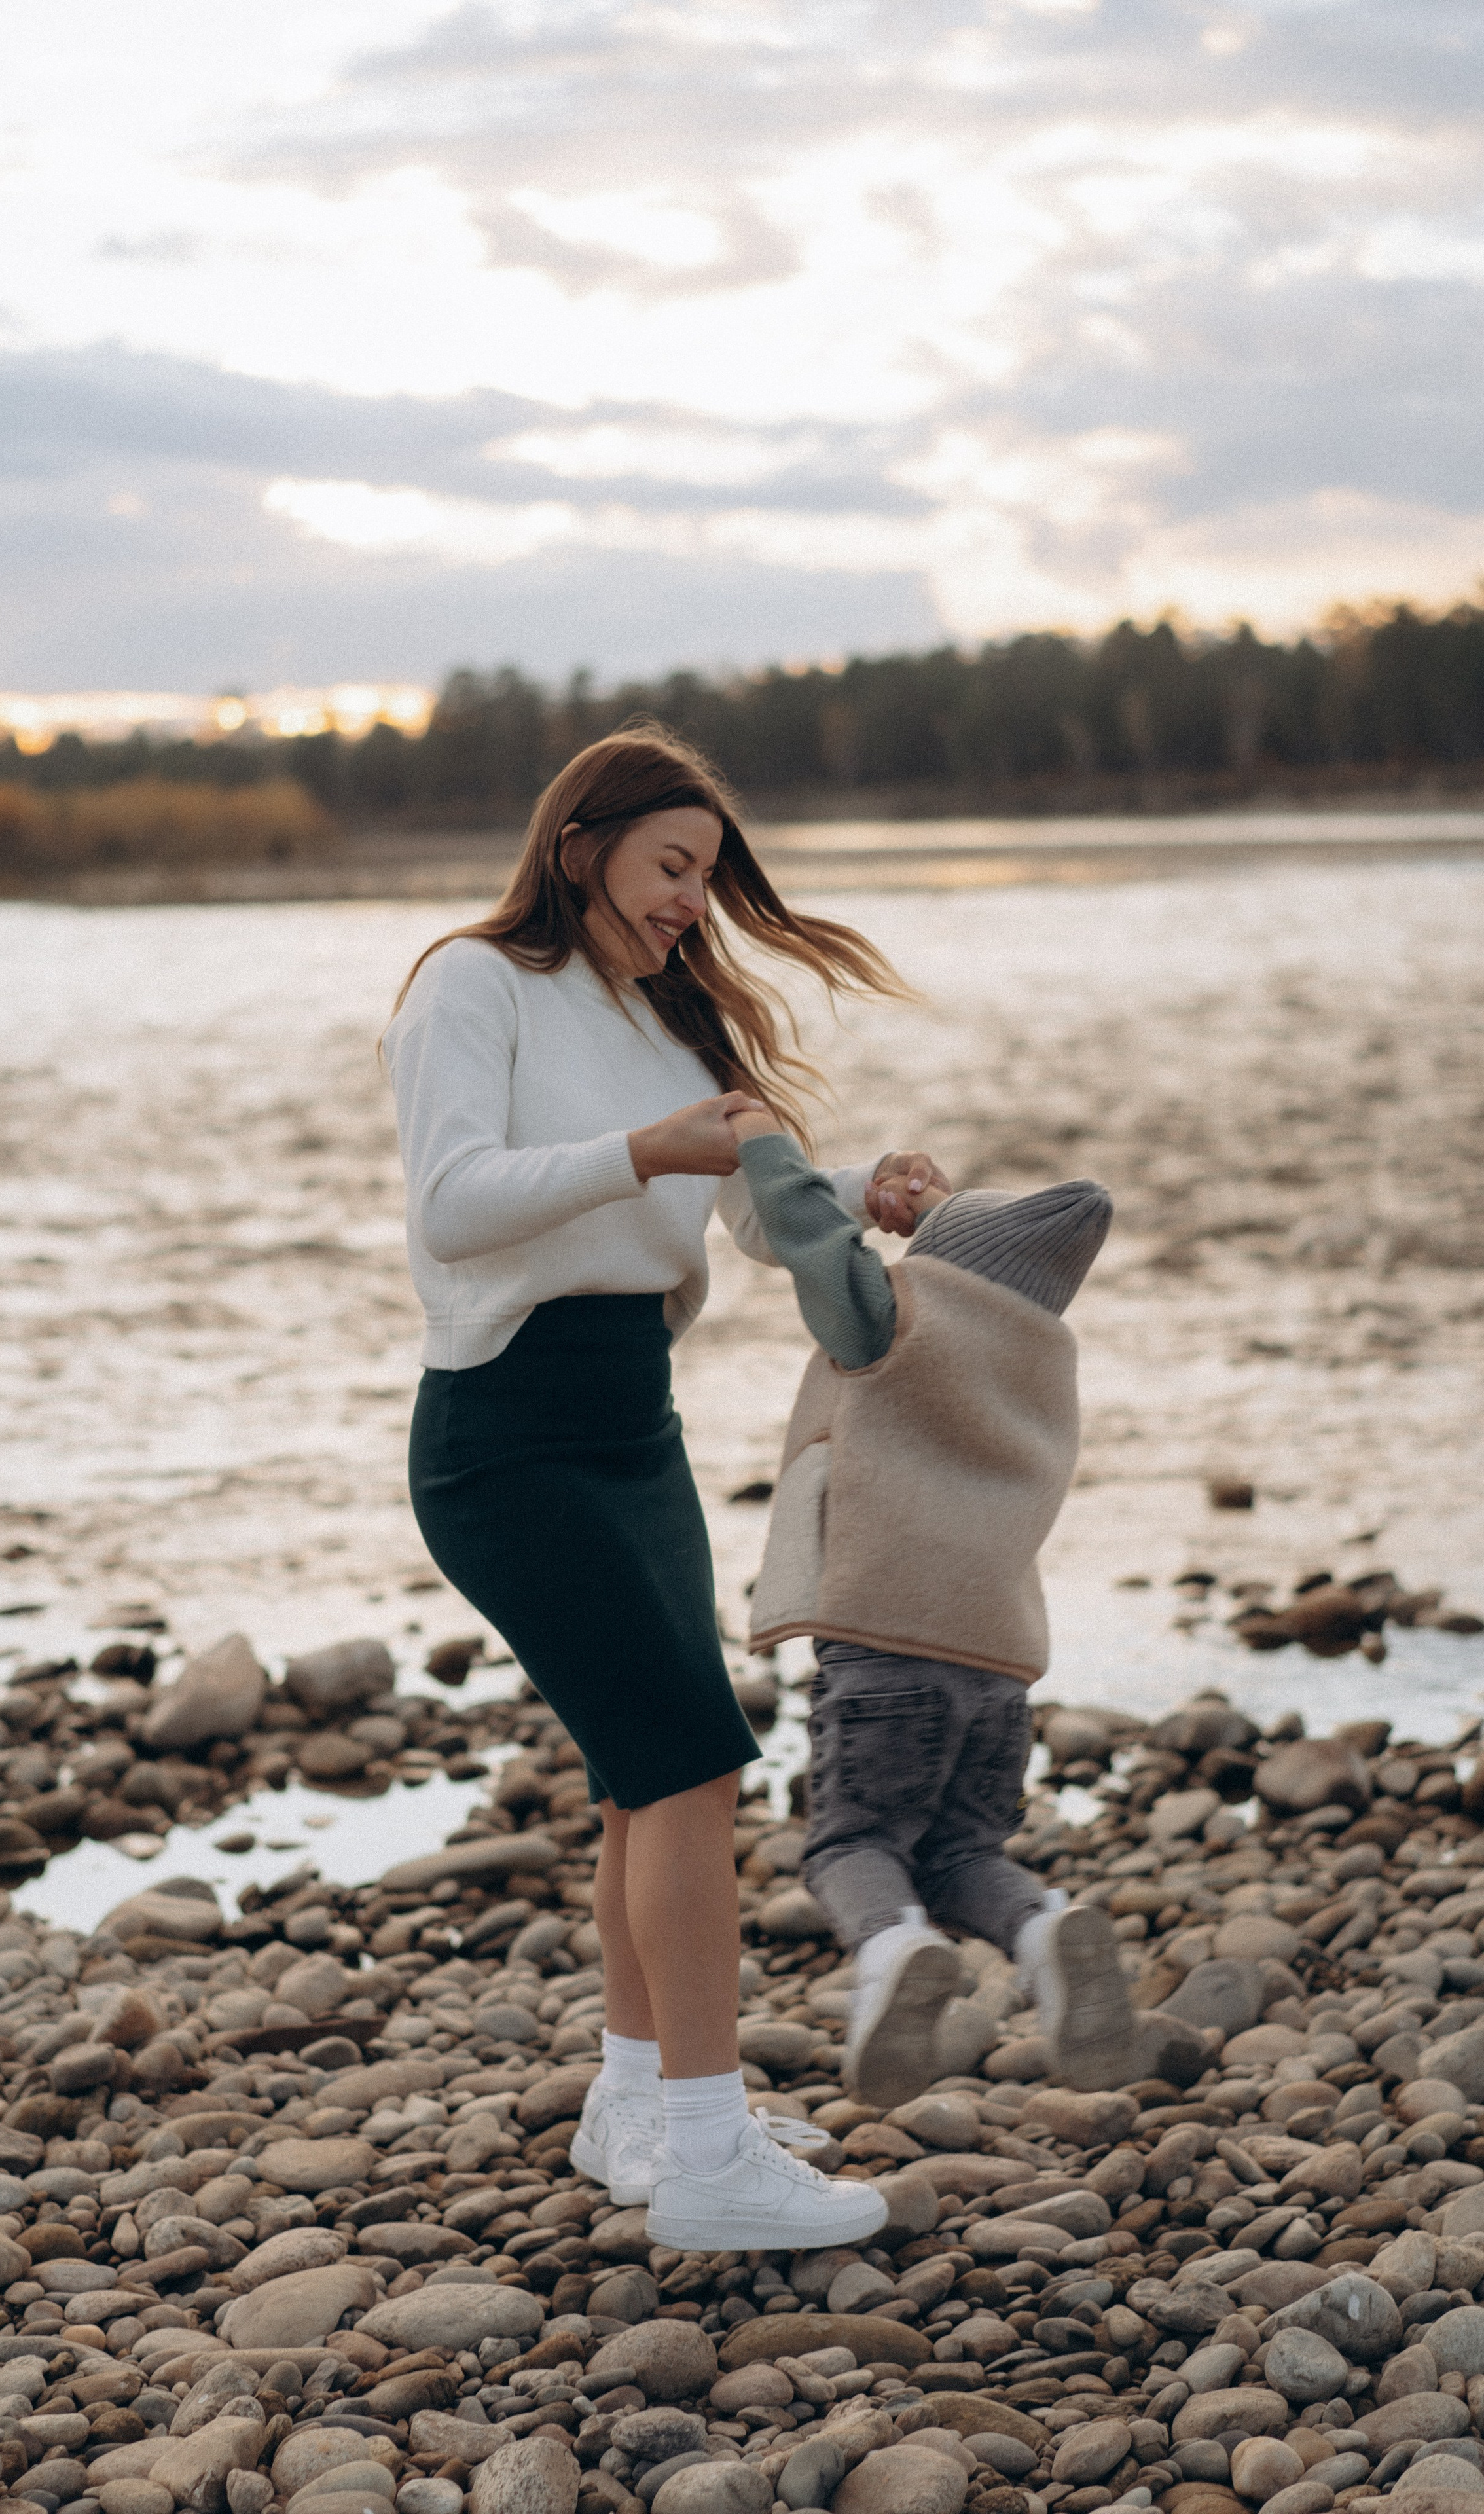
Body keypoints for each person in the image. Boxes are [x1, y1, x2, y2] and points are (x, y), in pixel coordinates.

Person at [382, 725, 939, 2250]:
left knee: (646, 1770)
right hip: (504, 1433)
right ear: (582, 848)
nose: (692, 900)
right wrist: (636, 1152)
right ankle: (706, 2153)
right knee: (692, 1763)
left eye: (707, 875)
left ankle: (636, 2102)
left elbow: (756, 1218)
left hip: (637, 1426)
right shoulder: (471, 984)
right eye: (669, 866)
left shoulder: (673, 1025)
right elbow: (449, 1205)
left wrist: (856, 1197)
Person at [729, 1107, 1140, 2104]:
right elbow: (993, 1262)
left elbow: (810, 1243)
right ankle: (1043, 1932)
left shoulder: (900, 1322)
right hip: (999, 1657)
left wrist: (761, 1145)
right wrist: (944, 1217)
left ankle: (891, 1950)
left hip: (884, 1644)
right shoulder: (1043, 1357)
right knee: (963, 1851)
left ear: (939, 1263)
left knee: (851, 1845)